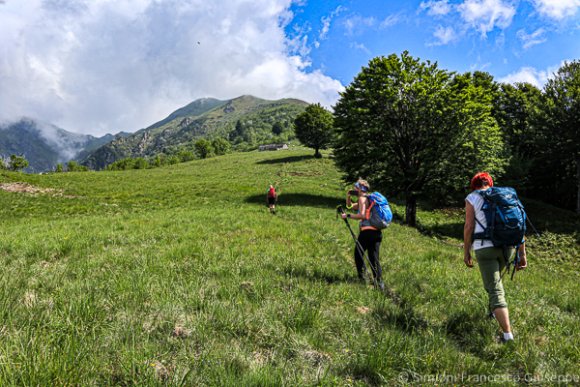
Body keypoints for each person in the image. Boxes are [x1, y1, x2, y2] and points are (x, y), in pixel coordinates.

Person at [463, 172, 527, 343]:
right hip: (509, 248)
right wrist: (522, 254)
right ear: (490, 183)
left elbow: (469, 226)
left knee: (495, 290)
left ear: (474, 185)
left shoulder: (472, 197)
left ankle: (507, 335)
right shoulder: (507, 196)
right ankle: (492, 313)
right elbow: (521, 225)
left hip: (485, 248)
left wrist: (466, 251)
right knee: (495, 283)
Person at [341, 179, 384, 290]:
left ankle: (363, 278)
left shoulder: (362, 199)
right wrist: (348, 196)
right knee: (374, 257)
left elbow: (362, 215)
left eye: (356, 187)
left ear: (360, 188)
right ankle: (379, 283)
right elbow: (350, 206)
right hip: (377, 232)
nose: (354, 188)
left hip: (367, 232)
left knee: (358, 253)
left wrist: (348, 216)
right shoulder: (368, 199)